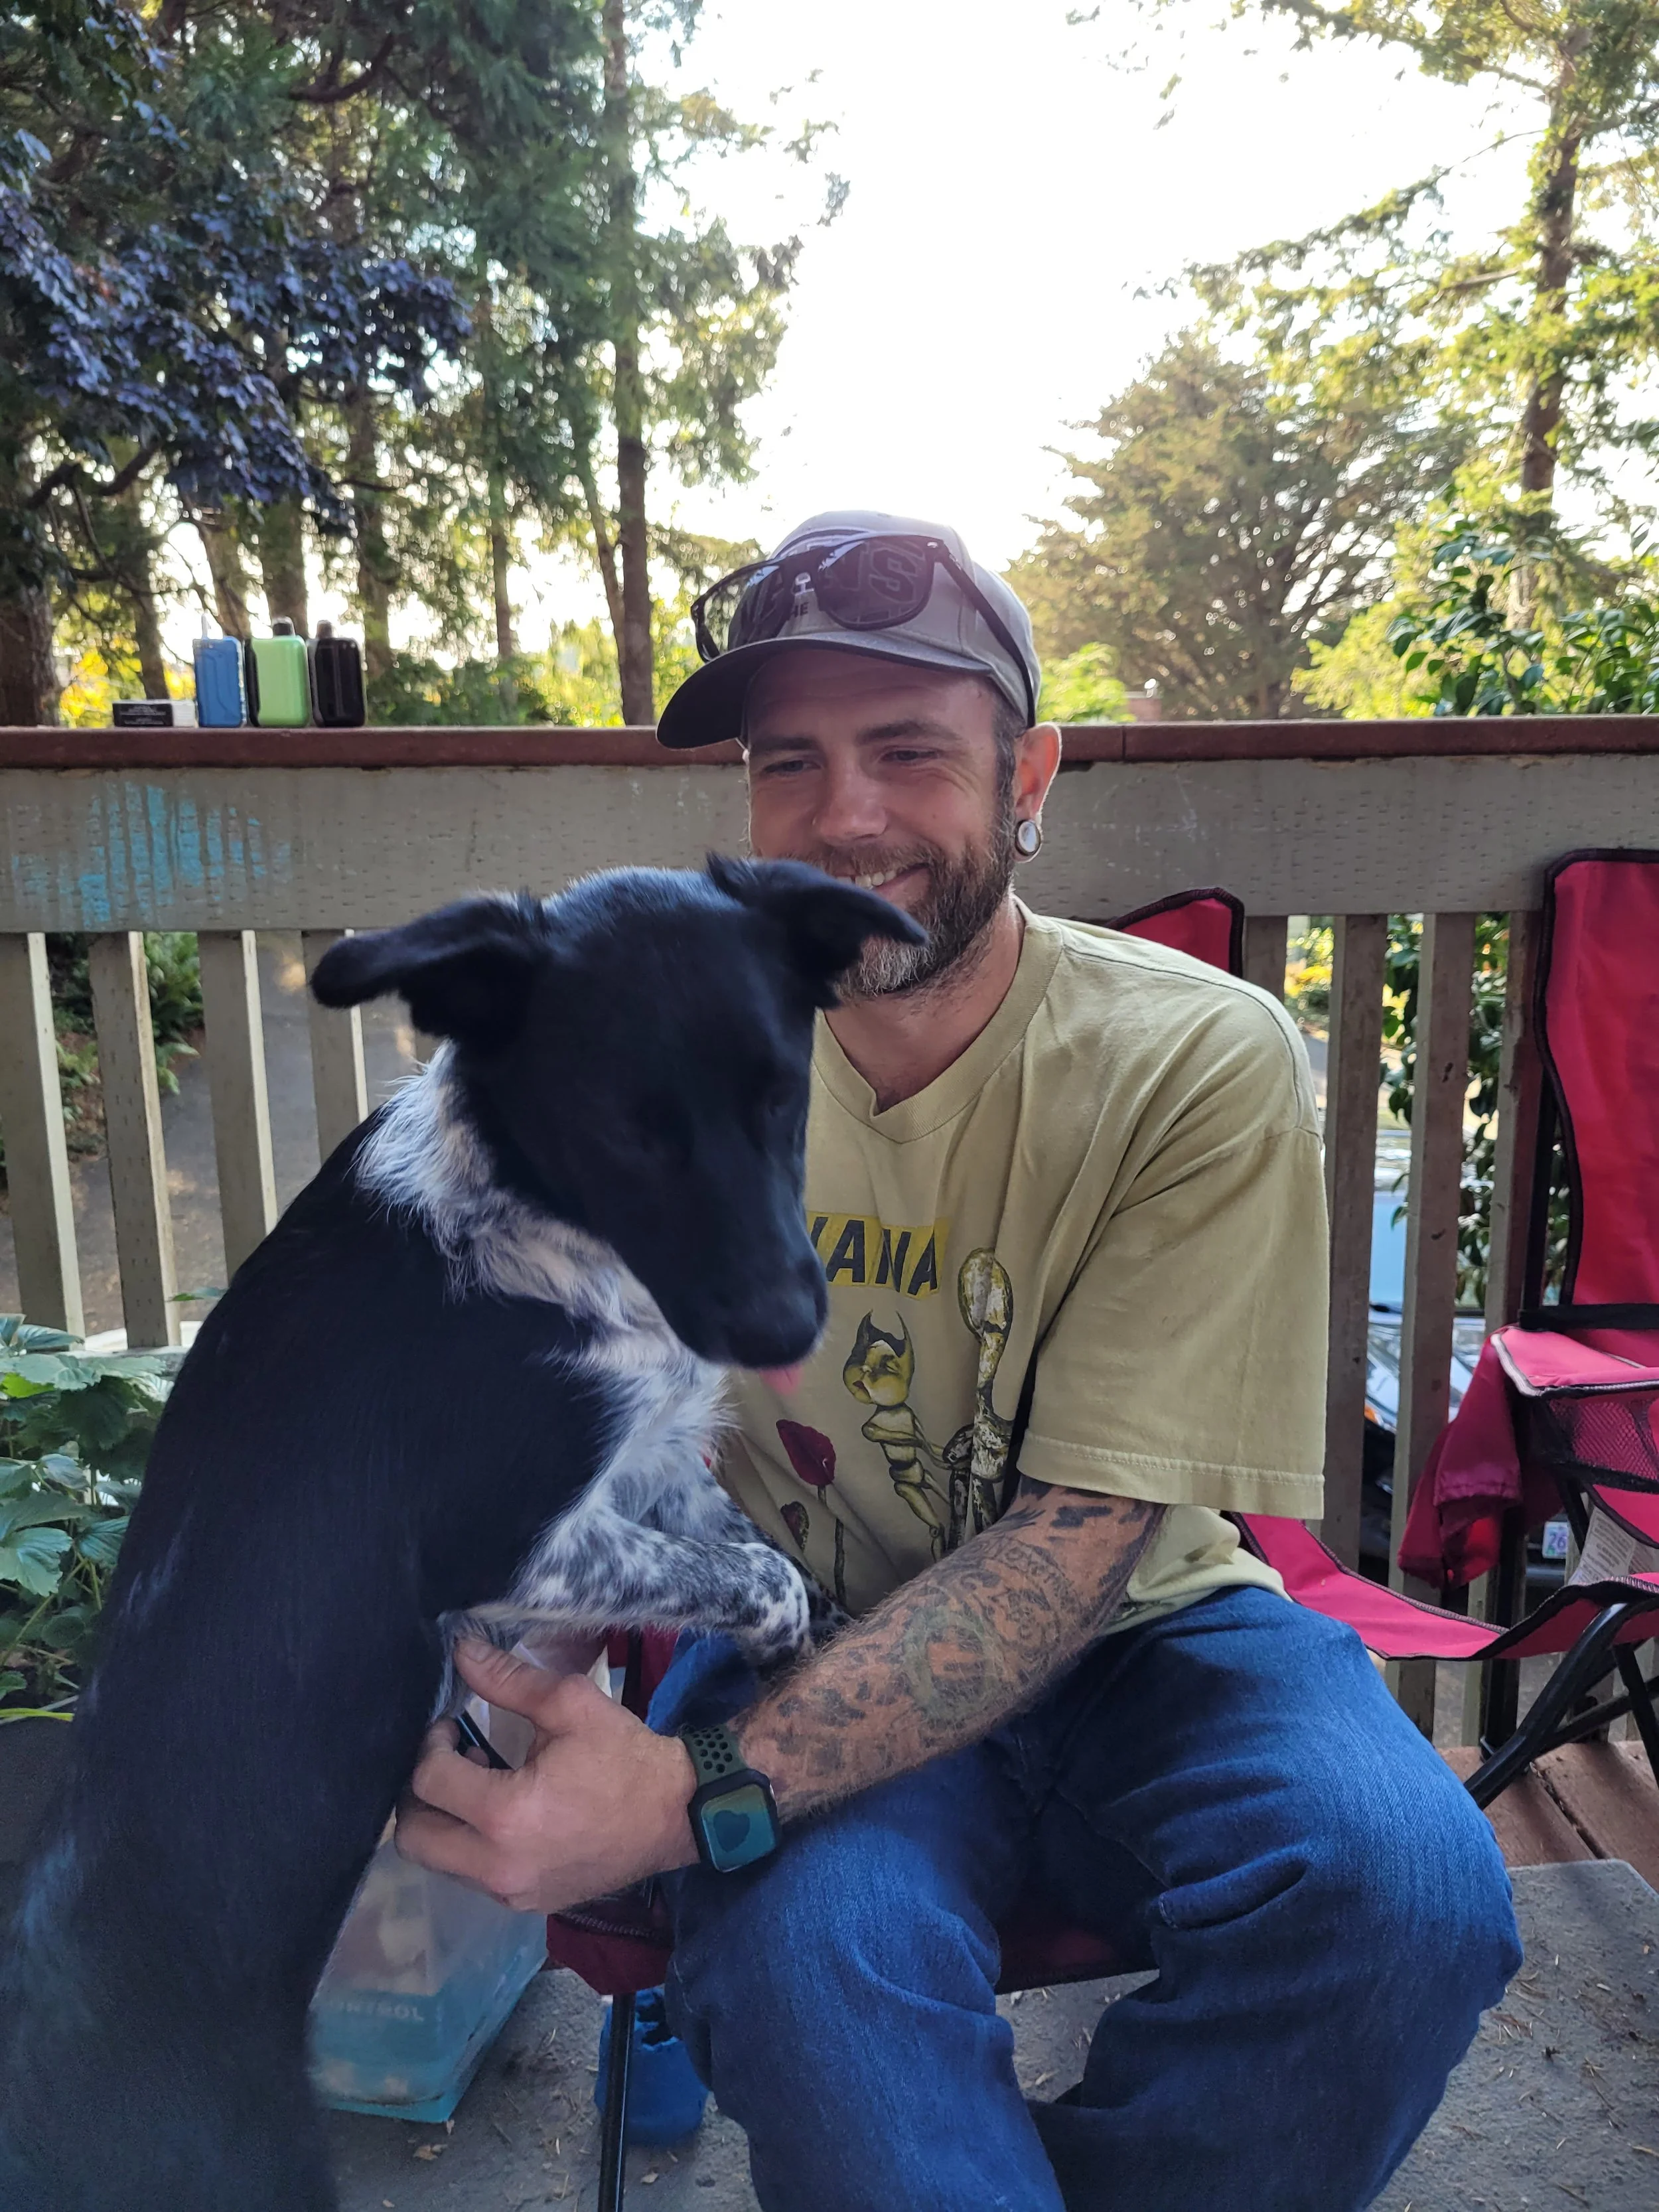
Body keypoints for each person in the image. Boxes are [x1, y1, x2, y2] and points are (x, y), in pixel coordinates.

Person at [397, 512, 1522, 2211]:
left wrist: (682, 1791)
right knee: (813, 1969)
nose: (844, 816)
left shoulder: (1189, 1059)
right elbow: (554, 1409)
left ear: (1029, 773)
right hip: (789, 1619)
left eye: (909, 749)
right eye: (793, 763)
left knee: (1408, 1898)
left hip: (1153, 1626)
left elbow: (1084, 1543)